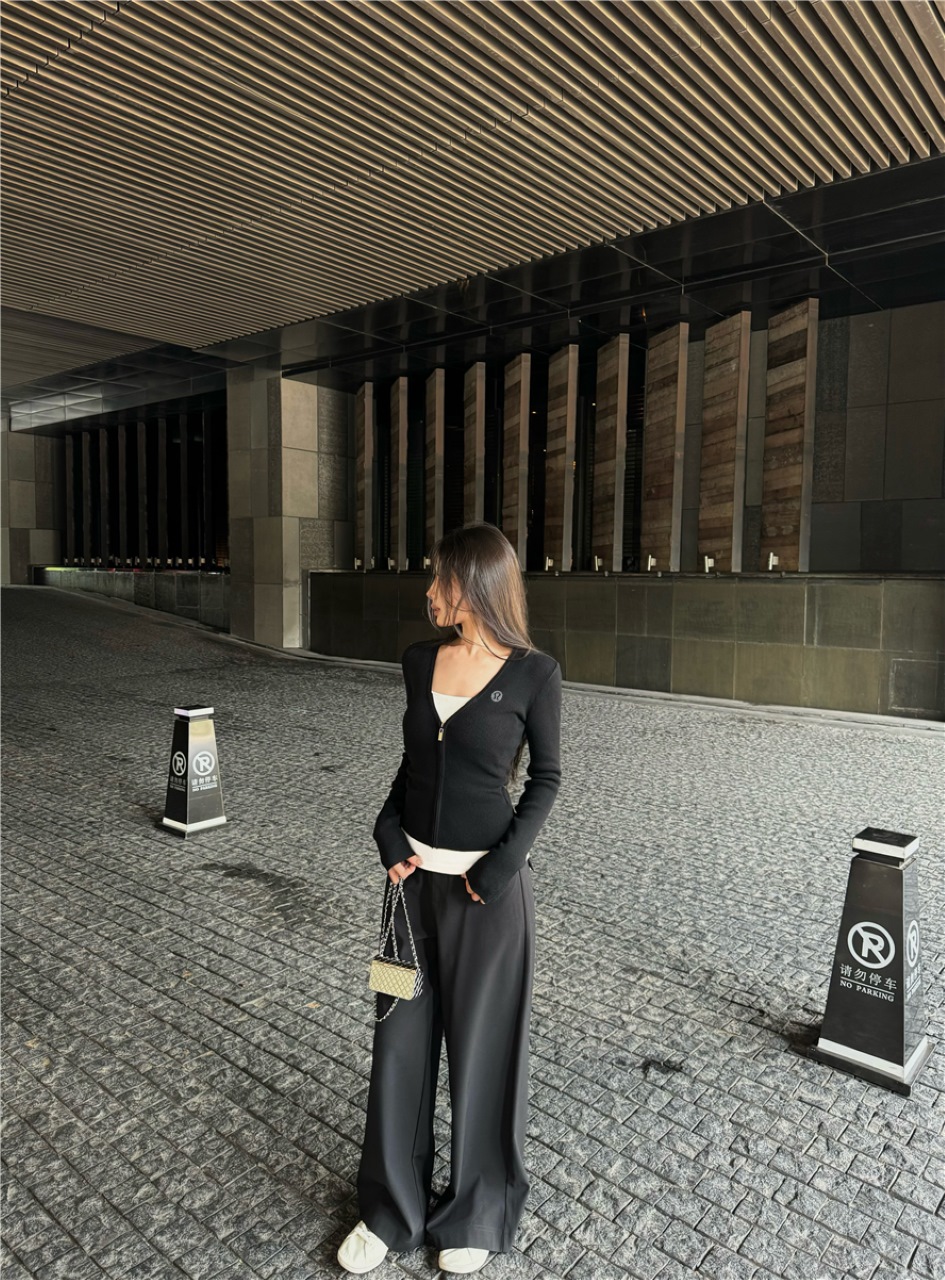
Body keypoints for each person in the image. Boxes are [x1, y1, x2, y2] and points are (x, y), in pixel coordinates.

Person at [338, 522, 563, 1276]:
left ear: (476, 584)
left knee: (483, 1052)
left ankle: (474, 1213)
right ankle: (389, 1211)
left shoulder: (534, 675)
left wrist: (502, 867)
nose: (431, 590)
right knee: (397, 1045)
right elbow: (411, 765)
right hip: (407, 899)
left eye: (442, 577)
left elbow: (546, 779)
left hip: (487, 902)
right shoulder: (418, 661)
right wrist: (386, 828)